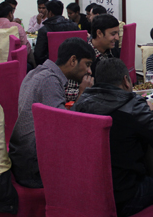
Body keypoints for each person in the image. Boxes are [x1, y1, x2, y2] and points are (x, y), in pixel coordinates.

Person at [74, 58, 153, 217]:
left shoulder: (81, 102)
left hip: (85, 192)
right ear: (126, 81)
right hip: (122, 197)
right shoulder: (133, 106)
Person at [9, 38, 95, 188]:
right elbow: (64, 127)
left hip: (22, 157)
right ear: (73, 60)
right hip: (33, 167)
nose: (89, 71)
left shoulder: (37, 72)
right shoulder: (49, 81)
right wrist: (83, 93)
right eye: (87, 64)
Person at [34, 0, 79, 65]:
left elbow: (39, 55)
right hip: (73, 65)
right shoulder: (74, 26)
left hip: (51, 66)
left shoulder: (44, 30)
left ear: (50, 13)